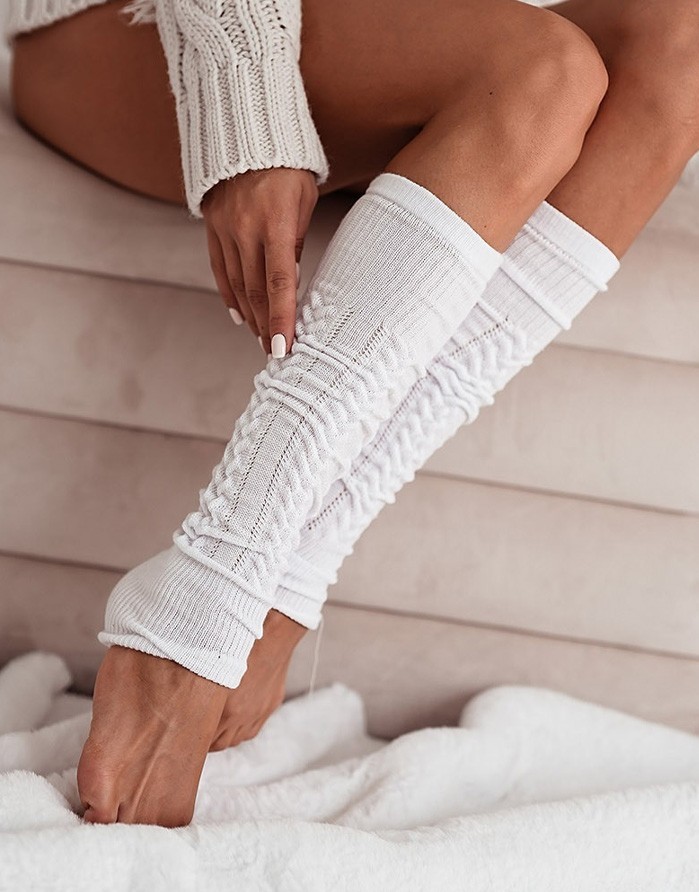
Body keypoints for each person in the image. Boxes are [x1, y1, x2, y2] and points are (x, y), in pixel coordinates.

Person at [6, 0, 698, 829]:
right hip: (142, 22)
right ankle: (195, 609)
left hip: (416, 47)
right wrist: (246, 101)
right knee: (544, 69)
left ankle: (286, 580)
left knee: (680, 43)